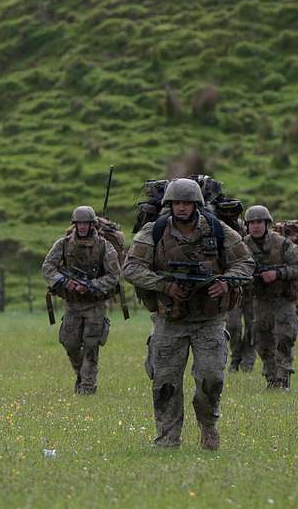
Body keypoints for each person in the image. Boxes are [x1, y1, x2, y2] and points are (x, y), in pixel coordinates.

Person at [124, 179, 254, 450]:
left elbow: (245, 262)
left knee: (212, 379)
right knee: (165, 383)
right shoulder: (154, 231)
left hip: (209, 320)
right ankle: (167, 438)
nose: (181, 208)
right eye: (176, 203)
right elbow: (132, 267)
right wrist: (165, 285)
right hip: (169, 320)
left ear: (196, 205)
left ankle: (208, 426)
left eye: (187, 203)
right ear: (169, 205)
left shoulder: (218, 230)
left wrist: (226, 281)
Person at [41, 205, 122, 395]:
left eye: (86, 223)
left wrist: (91, 285)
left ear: (92, 224)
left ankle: (87, 386)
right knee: (70, 343)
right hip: (73, 303)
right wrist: (64, 281)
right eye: (79, 223)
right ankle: (81, 374)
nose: (83, 227)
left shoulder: (104, 246)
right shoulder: (63, 244)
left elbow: (114, 275)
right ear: (75, 224)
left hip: (95, 303)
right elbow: (47, 267)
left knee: (91, 345)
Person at [242, 205, 298, 389]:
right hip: (260, 300)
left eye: (259, 222)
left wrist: (278, 274)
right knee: (262, 342)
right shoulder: (242, 246)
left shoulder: (283, 244)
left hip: (283, 299)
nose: (256, 226)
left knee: (284, 338)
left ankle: (283, 379)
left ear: (266, 223)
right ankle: (271, 378)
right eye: (252, 222)